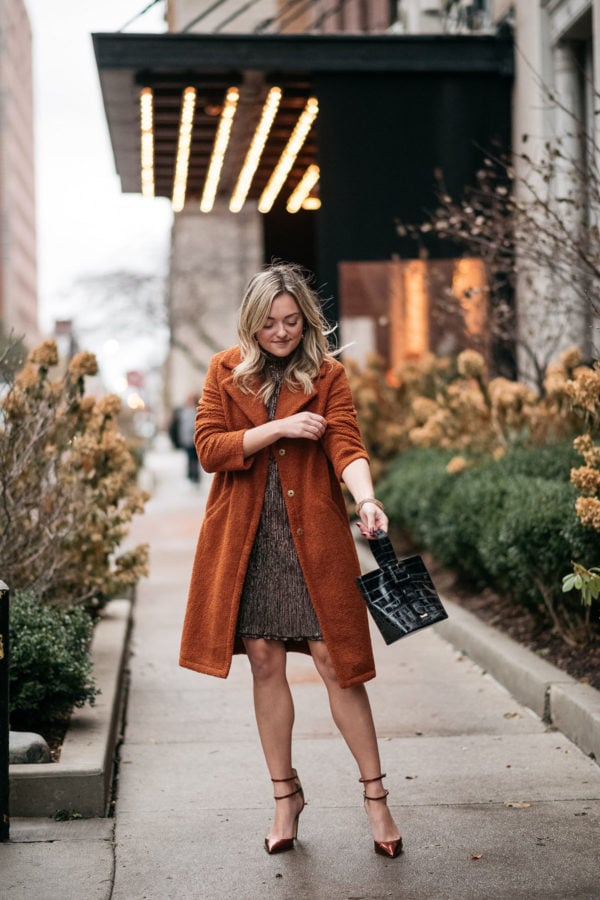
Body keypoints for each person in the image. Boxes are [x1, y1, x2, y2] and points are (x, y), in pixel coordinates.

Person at [179, 262, 402, 858]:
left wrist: (367, 499)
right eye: (270, 322)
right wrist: (277, 428)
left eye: (292, 321)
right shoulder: (224, 370)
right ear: (251, 322)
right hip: (248, 541)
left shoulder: (327, 374)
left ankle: (376, 797)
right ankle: (285, 797)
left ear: (307, 320)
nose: (281, 332)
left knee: (336, 662)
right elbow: (209, 448)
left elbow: (346, 443)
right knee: (264, 661)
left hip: (314, 541)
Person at [169, 393, 201, 483]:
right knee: (189, 457)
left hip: (196, 439)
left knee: (195, 458)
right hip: (187, 439)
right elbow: (180, 425)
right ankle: (191, 476)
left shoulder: (198, 409)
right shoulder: (183, 411)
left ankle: (195, 476)